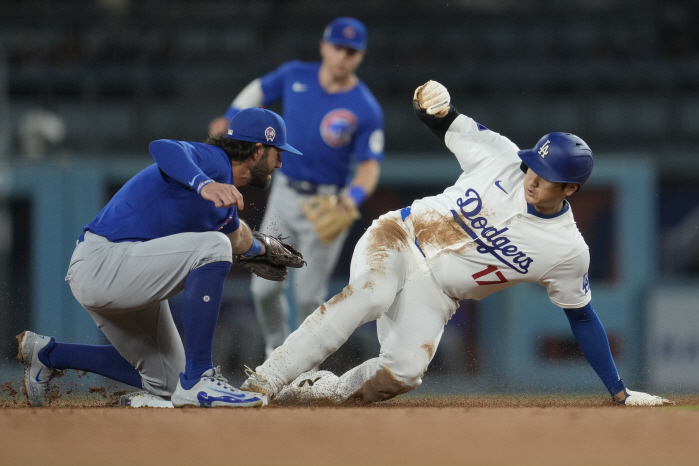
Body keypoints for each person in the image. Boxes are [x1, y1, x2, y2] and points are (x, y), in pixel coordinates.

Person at [239, 81, 672, 407]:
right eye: (535, 164)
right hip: (399, 237)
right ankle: (265, 379)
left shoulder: (567, 251)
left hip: (437, 293)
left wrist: (619, 392)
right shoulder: (501, 155)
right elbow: (440, 115)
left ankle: (322, 391)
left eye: (549, 174)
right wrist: (432, 99)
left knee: (405, 372)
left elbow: (583, 318)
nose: (535, 176)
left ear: (571, 190)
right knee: (370, 295)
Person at [17, 107, 303, 408]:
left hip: (122, 271)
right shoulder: (213, 162)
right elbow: (163, 148)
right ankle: (200, 379)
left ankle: (47, 355)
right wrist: (204, 184)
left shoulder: (224, 201)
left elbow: (238, 238)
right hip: (103, 261)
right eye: (277, 152)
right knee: (214, 246)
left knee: (168, 382)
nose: (281, 162)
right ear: (258, 150)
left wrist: (263, 249)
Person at [208, 17, 385, 358]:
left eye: (352, 51)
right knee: (262, 288)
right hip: (285, 195)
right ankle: (277, 349)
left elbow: (369, 167)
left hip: (328, 203)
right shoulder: (295, 75)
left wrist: (354, 196)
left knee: (308, 295)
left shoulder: (365, 107)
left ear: (360, 56)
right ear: (324, 46)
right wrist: (231, 114)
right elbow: (259, 89)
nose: (343, 57)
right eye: (338, 47)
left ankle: (306, 368)